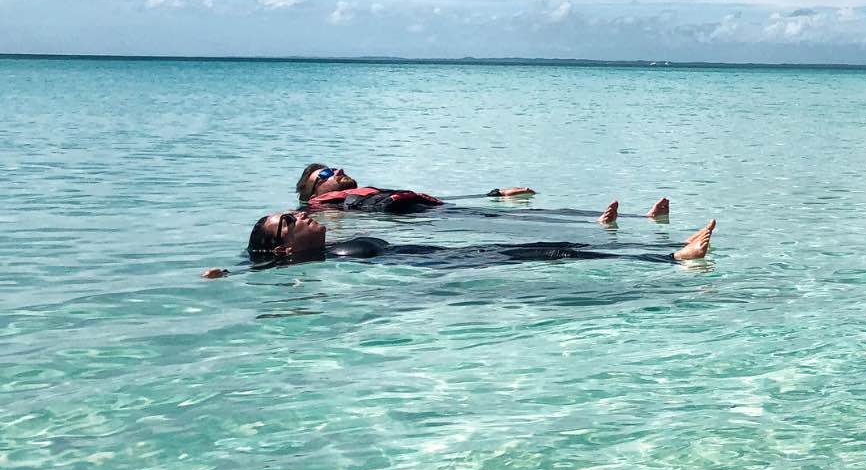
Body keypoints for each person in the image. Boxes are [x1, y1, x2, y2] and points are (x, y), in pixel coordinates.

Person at [202, 202, 714, 279]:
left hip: (447, 257)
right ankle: (671, 257)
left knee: (554, 248)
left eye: (292, 214)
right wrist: (224, 276)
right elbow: (256, 273)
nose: (297, 219)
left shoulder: (326, 252)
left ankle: (665, 254)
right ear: (285, 250)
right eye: (286, 225)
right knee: (553, 253)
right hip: (445, 268)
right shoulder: (312, 264)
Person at [297, 162, 537, 212]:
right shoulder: (322, 208)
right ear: (314, 193)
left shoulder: (360, 196)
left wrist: (495, 194)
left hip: (435, 213)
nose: (338, 171)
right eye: (326, 174)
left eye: (335, 168)